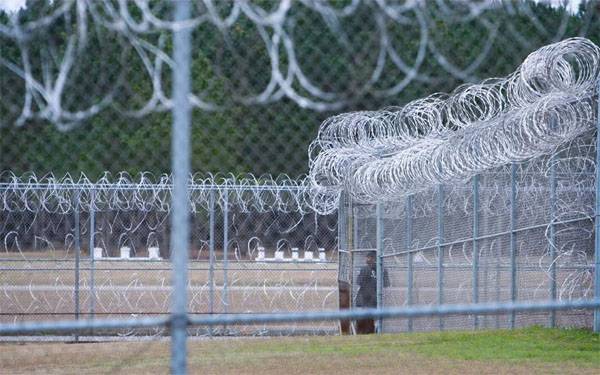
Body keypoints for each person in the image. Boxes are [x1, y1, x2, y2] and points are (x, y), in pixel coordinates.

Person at [355, 251, 389, 334]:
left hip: (365, 298)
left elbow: (358, 281)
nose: (367, 259)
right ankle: (370, 332)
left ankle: (365, 332)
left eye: (369, 257)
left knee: (364, 317)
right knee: (370, 318)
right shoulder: (383, 269)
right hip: (376, 297)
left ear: (374, 258)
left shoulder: (365, 269)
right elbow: (386, 284)